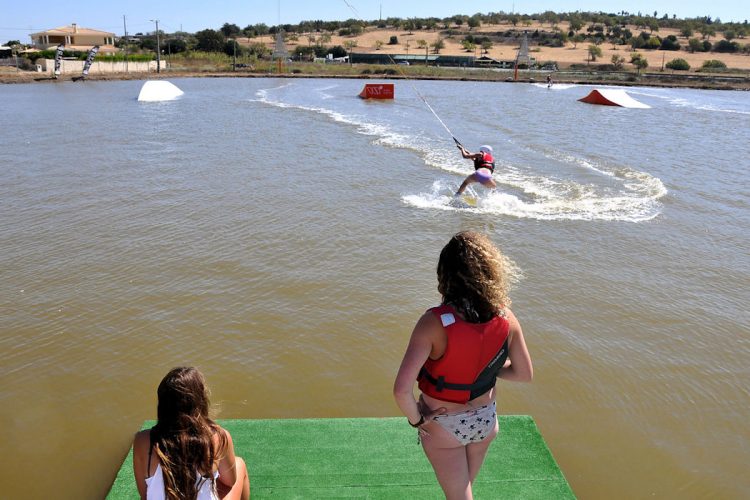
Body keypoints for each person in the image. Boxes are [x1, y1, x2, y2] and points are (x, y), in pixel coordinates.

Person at [393, 231, 533, 500]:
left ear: (444, 276)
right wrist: (485, 371)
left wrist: (418, 420)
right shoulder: (507, 317)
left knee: (459, 496)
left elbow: (401, 391)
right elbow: (524, 373)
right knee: (462, 490)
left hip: (443, 425)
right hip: (485, 421)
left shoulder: (433, 323)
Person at [133, 367, 250, 500]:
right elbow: (230, 481)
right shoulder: (218, 437)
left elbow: (145, 494)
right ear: (200, 402)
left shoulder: (142, 441)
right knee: (239, 464)